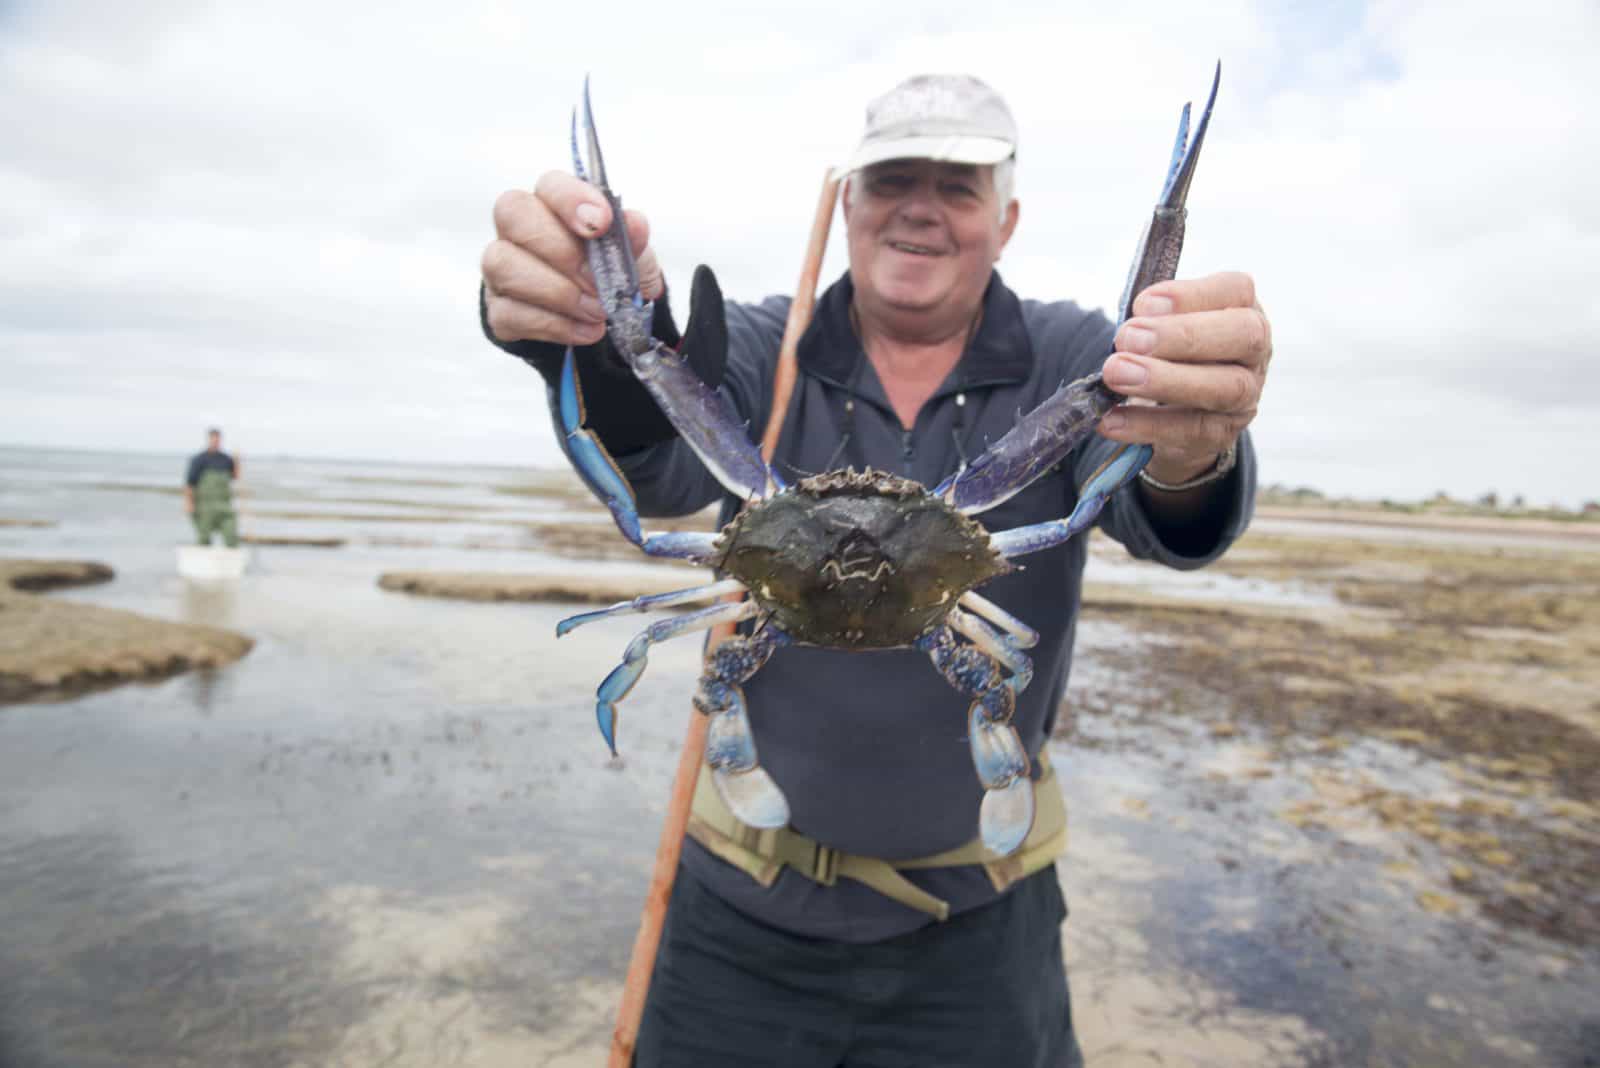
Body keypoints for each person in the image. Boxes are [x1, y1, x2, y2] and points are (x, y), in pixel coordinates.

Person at [480, 73, 1271, 1067]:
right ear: (848, 199)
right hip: (739, 911)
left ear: (1006, 217)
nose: (920, 207)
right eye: (893, 178)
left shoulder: (1080, 362)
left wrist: (1190, 444)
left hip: (982, 925)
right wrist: (587, 343)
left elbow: (1150, 508)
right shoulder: (767, 348)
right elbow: (657, 458)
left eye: (958, 185)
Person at [184, 427, 241, 548]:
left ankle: (231, 563)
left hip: (224, 504)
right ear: (209, 440)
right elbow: (190, 483)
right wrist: (189, 503)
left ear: (221, 440)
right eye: (213, 439)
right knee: (204, 538)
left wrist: (237, 461)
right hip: (205, 505)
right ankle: (202, 563)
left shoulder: (226, 459)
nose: (215, 441)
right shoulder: (199, 459)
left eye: (218, 439)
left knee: (231, 535)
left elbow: (235, 477)